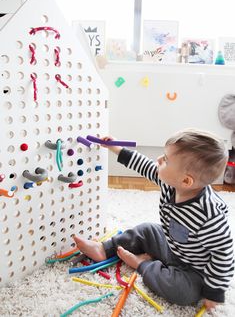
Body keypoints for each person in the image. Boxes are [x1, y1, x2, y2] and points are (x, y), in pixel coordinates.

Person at [73, 128, 234, 311]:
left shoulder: (209, 216)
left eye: (165, 160)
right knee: (147, 229)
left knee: (183, 293)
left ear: (186, 181)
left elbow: (224, 255)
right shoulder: (170, 182)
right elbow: (144, 165)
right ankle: (104, 249)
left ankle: (142, 264)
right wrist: (116, 148)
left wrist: (214, 292)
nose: (158, 160)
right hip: (173, 247)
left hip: (195, 270)